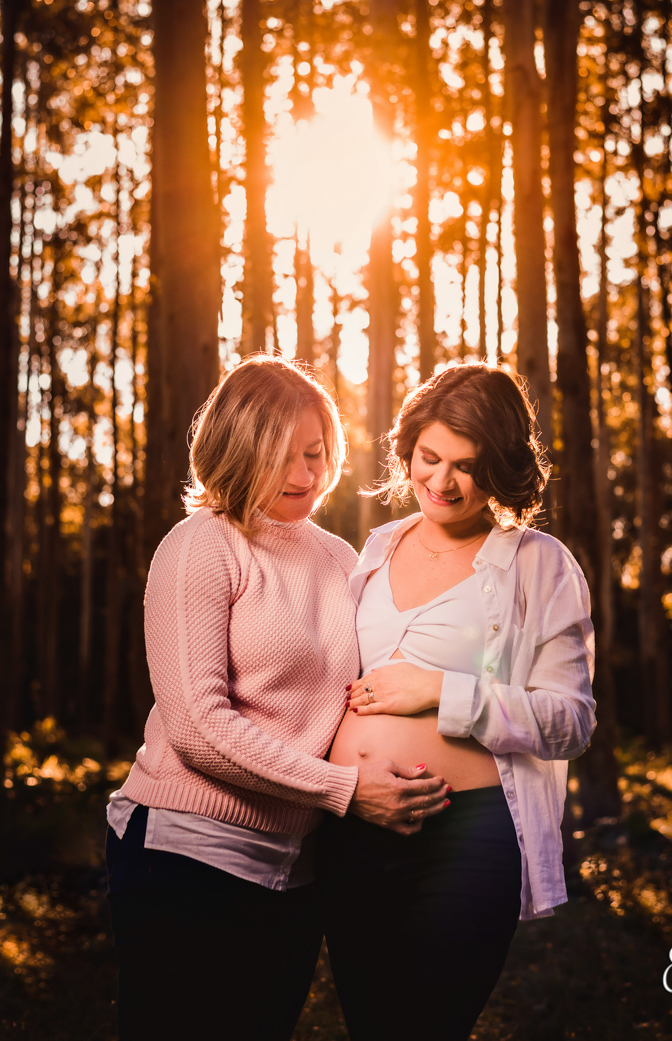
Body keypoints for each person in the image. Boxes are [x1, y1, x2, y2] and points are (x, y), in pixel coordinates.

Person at [105, 354, 449, 1041]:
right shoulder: (201, 544)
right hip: (186, 857)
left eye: (316, 453)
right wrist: (346, 789)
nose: (304, 476)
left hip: (293, 874)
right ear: (233, 449)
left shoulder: (339, 559)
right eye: (279, 457)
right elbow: (199, 728)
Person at [318, 363, 597, 1041]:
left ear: (500, 467)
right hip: (354, 826)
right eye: (429, 457)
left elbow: (571, 721)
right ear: (407, 449)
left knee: (427, 1024)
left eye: (466, 466)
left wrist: (445, 692)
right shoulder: (375, 551)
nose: (441, 483)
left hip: (467, 836)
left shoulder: (538, 563)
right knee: (371, 1024)